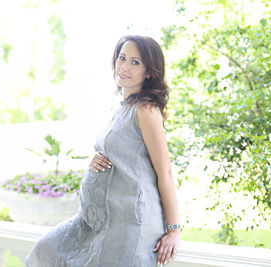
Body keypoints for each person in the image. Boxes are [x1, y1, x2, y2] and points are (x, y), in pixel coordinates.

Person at [25, 35, 181, 267]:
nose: (124, 66)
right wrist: (98, 160)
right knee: (45, 250)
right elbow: (125, 153)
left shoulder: (146, 111)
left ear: (149, 72)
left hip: (129, 224)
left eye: (135, 62)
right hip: (99, 221)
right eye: (122, 58)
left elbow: (165, 172)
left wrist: (174, 229)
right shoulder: (123, 108)